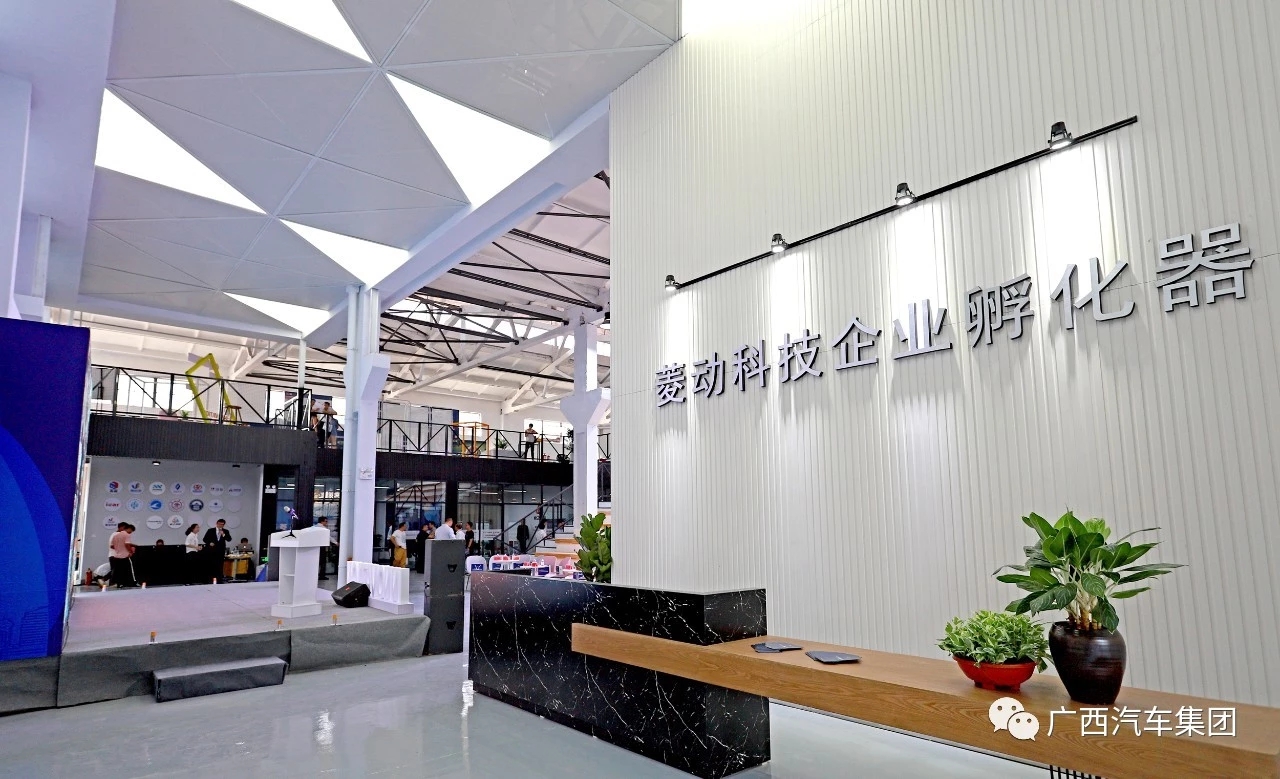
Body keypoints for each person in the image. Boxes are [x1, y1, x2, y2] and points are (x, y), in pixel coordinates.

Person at [107, 522, 137, 588]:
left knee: (117, 570)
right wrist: (129, 550)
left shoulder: (116, 535)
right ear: (122, 527)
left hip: (116, 555)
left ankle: (116, 583)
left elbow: (122, 544)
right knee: (116, 570)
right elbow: (114, 545)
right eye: (125, 528)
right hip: (116, 555)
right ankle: (105, 580)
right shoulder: (119, 535)